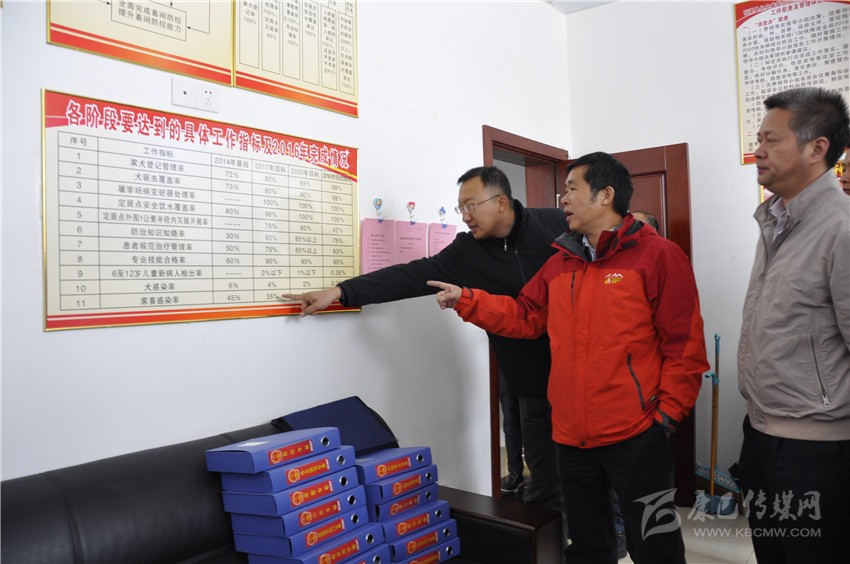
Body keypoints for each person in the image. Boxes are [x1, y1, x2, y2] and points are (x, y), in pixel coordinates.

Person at [428, 152, 708, 564]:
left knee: (655, 546)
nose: (563, 199)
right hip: (571, 435)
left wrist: (665, 417)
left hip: (636, 432)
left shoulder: (658, 256)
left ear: (605, 195)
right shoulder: (561, 262)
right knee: (590, 545)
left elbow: (684, 346)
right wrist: (468, 299)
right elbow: (525, 316)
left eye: (573, 188)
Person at [283, 166, 566, 520]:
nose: (465, 216)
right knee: (544, 483)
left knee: (593, 470)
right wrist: (341, 292)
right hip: (530, 384)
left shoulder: (556, 225)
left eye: (471, 206)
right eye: (460, 208)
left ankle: (612, 533)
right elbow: (410, 276)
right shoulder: (467, 251)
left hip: (578, 376)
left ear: (501, 202)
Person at [736, 87, 850, 563]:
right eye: (758, 139)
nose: (758, 150)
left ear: (816, 148)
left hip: (815, 448)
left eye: (771, 140)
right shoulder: (776, 221)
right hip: (762, 430)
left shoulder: (841, 227)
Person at [499, 371, 525, 496]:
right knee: (510, 421)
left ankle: (540, 476)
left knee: (533, 420)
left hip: (533, 368)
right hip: (506, 367)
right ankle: (515, 472)